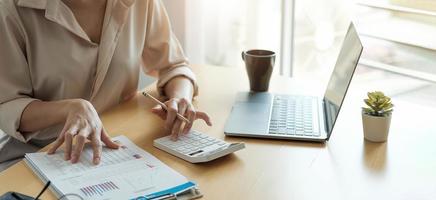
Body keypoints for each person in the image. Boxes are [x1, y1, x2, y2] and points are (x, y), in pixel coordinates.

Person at [0, 0, 212, 171]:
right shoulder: (11, 9)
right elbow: (7, 105)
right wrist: (70, 108)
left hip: (119, 148)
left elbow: (174, 66)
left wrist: (181, 96)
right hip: (41, 154)